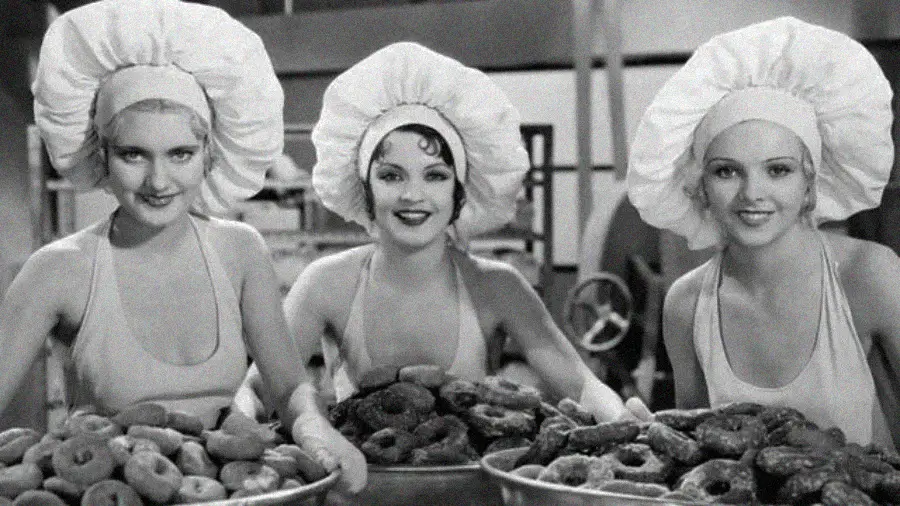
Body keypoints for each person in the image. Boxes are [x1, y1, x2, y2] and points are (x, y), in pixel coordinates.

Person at [0, 0, 365, 492]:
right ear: (101, 154)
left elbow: (287, 385)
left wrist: (315, 428)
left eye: (180, 154)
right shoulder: (57, 271)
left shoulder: (240, 251)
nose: (158, 180)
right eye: (133, 154)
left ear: (209, 155)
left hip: (231, 491)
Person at [238, 42, 646, 424]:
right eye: (391, 175)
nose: (413, 195)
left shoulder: (498, 287)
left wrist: (623, 417)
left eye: (434, 176)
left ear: (459, 191)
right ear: (364, 188)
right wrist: (235, 422)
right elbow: (258, 389)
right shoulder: (327, 284)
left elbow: (582, 385)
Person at [627, 17, 900, 449]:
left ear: (810, 183)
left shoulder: (871, 276)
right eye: (727, 171)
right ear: (700, 186)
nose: (752, 194)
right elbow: (698, 458)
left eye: (778, 170)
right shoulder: (687, 304)